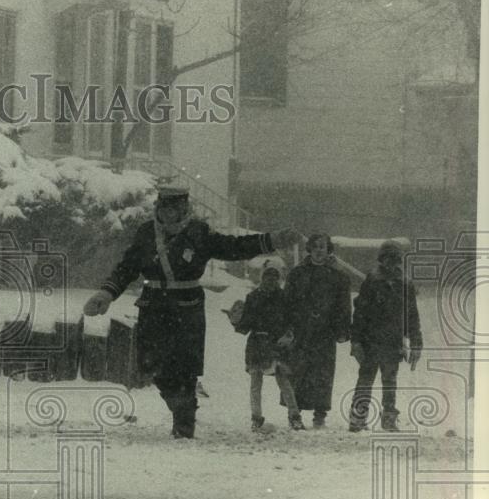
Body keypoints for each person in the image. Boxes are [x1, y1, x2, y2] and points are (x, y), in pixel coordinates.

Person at [83, 187, 301, 439]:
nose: (168, 215)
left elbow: (233, 247)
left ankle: (184, 421)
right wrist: (106, 294)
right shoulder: (146, 233)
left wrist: (272, 241)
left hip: (186, 309)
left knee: (184, 368)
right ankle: (181, 407)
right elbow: (127, 267)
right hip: (154, 307)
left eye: (173, 210)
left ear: (183, 210)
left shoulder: (199, 232)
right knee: (154, 366)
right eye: (163, 209)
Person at [348, 240, 422, 432]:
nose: (391, 264)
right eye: (387, 259)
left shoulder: (405, 284)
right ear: (382, 260)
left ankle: (389, 418)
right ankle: (358, 417)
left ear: (399, 261)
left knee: (390, 382)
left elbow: (412, 316)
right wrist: (356, 341)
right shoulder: (372, 282)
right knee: (365, 380)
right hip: (370, 342)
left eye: (395, 259)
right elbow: (360, 314)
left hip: (392, 343)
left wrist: (416, 343)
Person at [283, 232, 352, 429]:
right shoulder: (298, 273)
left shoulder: (338, 276)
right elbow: (287, 301)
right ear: (310, 249)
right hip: (301, 330)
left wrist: (342, 329)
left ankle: (319, 414)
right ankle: (294, 413)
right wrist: (287, 326)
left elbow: (344, 306)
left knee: (322, 372)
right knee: (298, 370)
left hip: (325, 332)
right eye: (316, 246)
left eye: (323, 247)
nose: (319, 250)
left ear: (328, 250)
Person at [230, 261, 305, 431]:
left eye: (275, 276)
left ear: (279, 278)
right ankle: (256, 418)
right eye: (267, 276)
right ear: (262, 277)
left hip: (276, 344)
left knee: (283, 380)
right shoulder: (253, 297)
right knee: (256, 382)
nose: (271, 280)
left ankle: (294, 416)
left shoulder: (284, 298)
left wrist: (289, 334)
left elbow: (292, 320)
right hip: (256, 344)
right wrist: (236, 320)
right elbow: (245, 326)